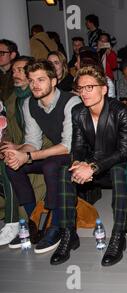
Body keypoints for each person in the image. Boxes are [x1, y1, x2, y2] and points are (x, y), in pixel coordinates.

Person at [50, 66, 127, 266]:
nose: (84, 93)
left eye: (90, 87)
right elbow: (77, 146)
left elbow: (124, 151)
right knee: (64, 171)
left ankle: (118, 235)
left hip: (114, 164)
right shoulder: (78, 111)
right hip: (90, 164)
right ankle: (68, 233)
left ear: (104, 89)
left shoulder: (121, 111)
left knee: (120, 173)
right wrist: (78, 163)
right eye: (81, 88)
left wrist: (93, 167)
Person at [2, 60, 81, 254]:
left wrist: (27, 155)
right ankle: (34, 221)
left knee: (50, 166)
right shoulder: (30, 104)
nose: (35, 85)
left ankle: (54, 226)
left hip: (79, 153)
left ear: (53, 81)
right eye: (31, 81)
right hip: (57, 152)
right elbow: (33, 142)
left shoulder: (71, 101)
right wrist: (19, 153)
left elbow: (67, 146)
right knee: (12, 165)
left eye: (41, 80)